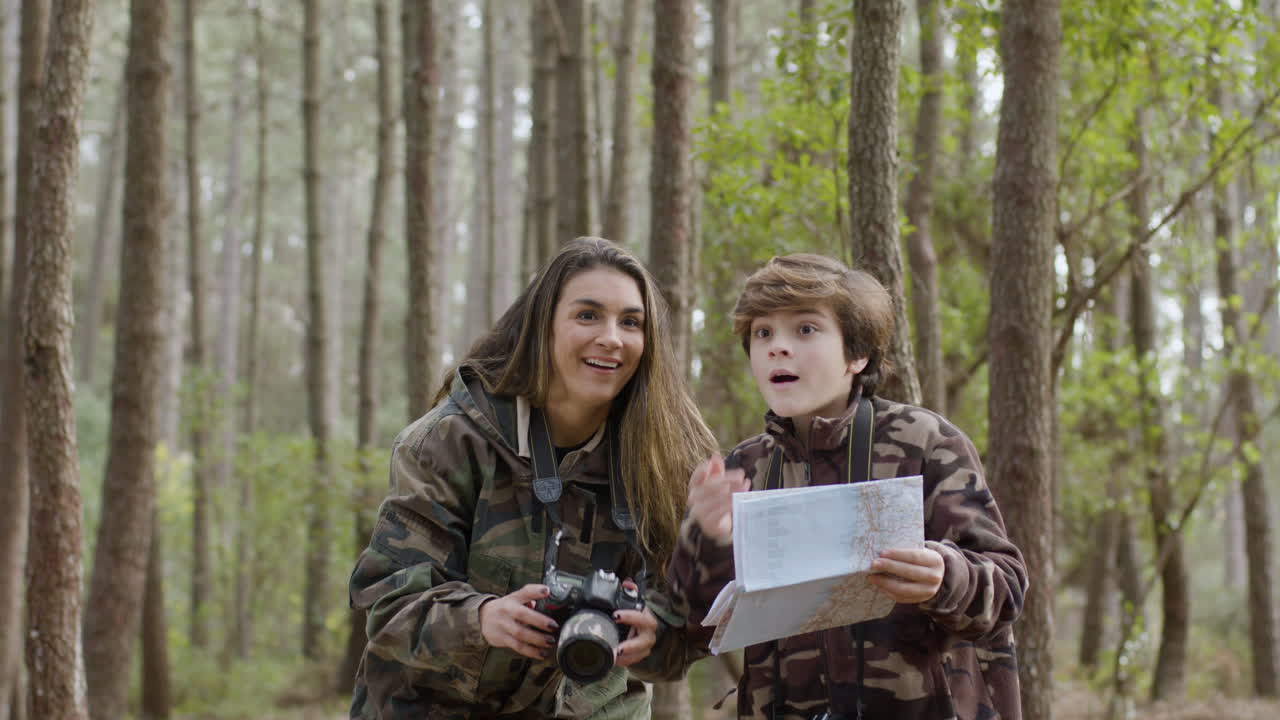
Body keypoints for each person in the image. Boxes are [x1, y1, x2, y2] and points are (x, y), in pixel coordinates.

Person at [349, 237, 718, 719]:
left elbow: (689, 628)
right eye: (587, 315)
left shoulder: (664, 457)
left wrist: (659, 632)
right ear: (542, 326)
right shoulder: (449, 442)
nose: (611, 337)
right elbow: (387, 607)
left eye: (631, 322)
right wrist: (482, 619)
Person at [668, 253, 1028, 720]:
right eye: (763, 333)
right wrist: (707, 540)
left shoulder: (924, 444)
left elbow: (1007, 590)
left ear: (857, 354)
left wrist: (945, 575)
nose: (778, 347)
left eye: (805, 330)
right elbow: (691, 631)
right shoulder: (743, 469)